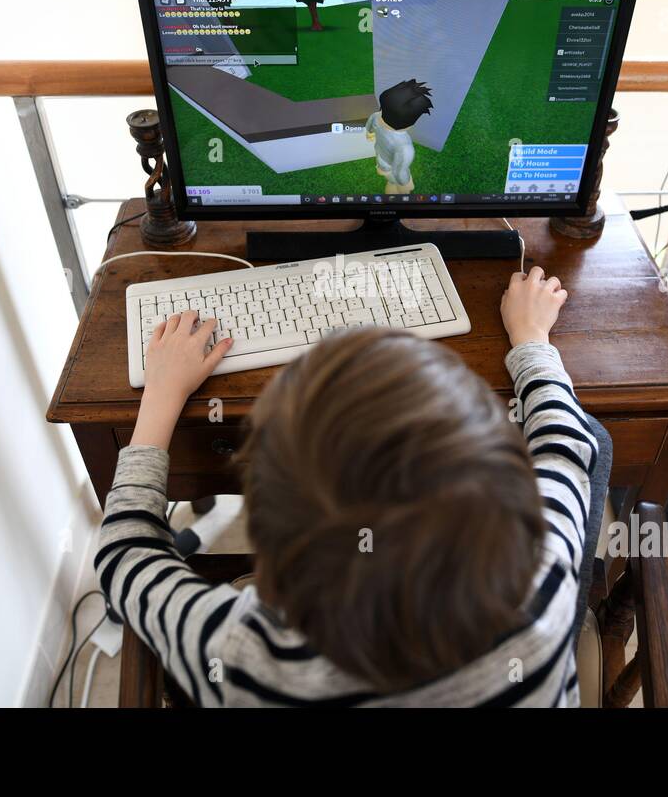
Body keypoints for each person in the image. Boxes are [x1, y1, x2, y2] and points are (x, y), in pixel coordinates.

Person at [94, 266, 610, 706]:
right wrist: (531, 338)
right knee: (601, 440)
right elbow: (568, 447)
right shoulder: (542, 583)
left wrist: (161, 391)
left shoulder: (242, 654)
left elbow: (124, 554)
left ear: (271, 544)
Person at [365, 78, 433, 195]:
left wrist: (369, 132)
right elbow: (399, 171)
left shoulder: (377, 116)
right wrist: (405, 184)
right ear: (411, 124)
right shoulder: (404, 147)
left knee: (389, 175)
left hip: (381, 157)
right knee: (394, 182)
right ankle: (393, 187)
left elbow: (370, 124)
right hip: (390, 168)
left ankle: (391, 183)